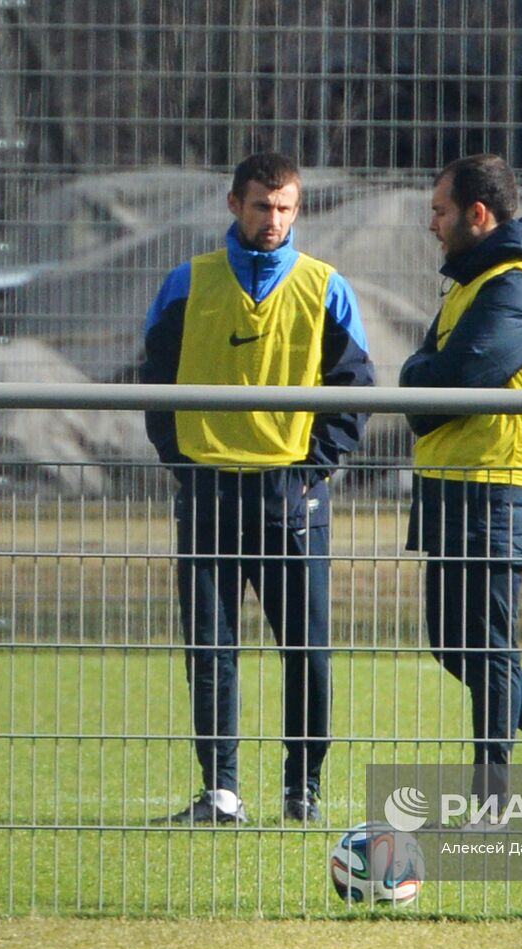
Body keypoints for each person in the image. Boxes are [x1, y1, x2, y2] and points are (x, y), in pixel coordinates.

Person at [142, 152, 374, 825]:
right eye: (260, 206)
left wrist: (313, 469)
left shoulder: (326, 286)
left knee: (308, 654)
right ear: (233, 205)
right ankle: (221, 792)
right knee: (211, 652)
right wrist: (184, 465)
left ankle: (303, 790)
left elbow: (354, 389)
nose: (273, 220)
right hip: (209, 492)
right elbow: (153, 381)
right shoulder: (188, 284)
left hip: (291, 500)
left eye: (285, 208)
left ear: (297, 210)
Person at [400, 153, 522, 811]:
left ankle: (494, 795)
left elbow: (438, 389)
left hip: (499, 489)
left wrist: (424, 381)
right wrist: (424, 379)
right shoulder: (471, 283)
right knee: (457, 646)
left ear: (477, 215)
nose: (433, 224)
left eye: (440, 211)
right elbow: (423, 379)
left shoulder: (517, 289)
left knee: (485, 647)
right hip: (458, 487)